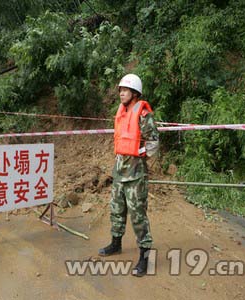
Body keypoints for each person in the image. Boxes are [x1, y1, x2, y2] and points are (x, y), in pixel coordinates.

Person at [98, 74, 159, 277]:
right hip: (119, 172)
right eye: (120, 90)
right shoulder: (122, 112)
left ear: (134, 93)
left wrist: (140, 157)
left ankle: (145, 257)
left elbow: (153, 143)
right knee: (116, 209)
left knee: (138, 216)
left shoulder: (143, 114)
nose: (121, 93)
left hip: (135, 174)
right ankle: (116, 243)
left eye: (125, 90)